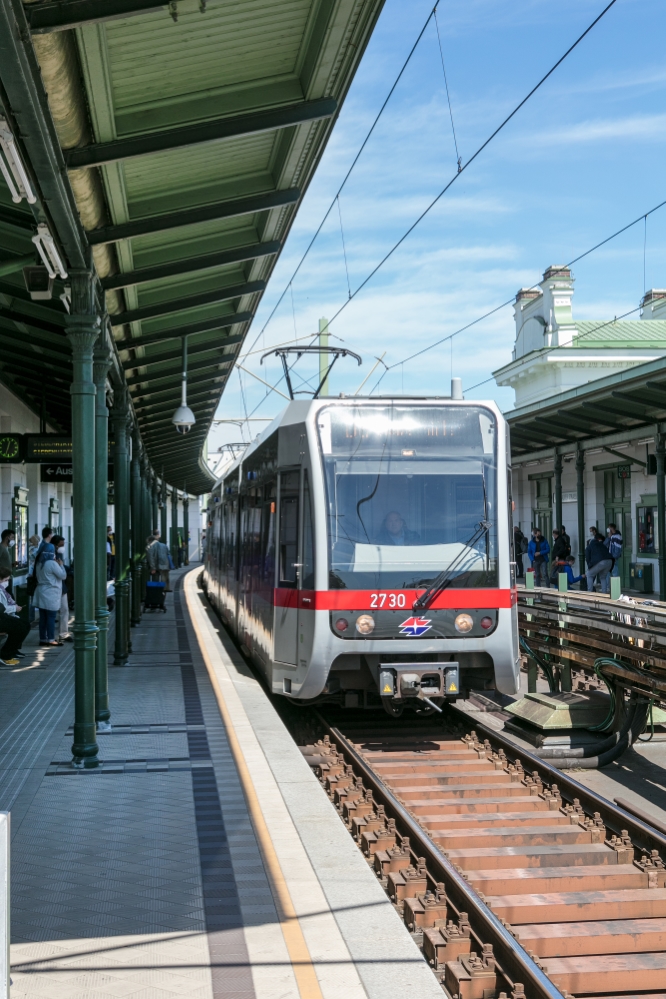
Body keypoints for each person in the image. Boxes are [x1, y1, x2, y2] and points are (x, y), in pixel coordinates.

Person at [33, 539, 67, 645]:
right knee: (51, 617)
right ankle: (51, 639)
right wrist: (61, 565)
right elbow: (63, 576)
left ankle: (43, 639)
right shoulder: (52, 563)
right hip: (51, 593)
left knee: (43, 618)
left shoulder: (38, 563)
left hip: (41, 592)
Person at [0, 566, 30, 664]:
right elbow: (3, 607)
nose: (7, 582)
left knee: (25, 624)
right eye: (5, 580)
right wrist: (14, 608)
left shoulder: (2, 590)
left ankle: (12, 650)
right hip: (2, 616)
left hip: (4, 615)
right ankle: (6, 654)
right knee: (19, 628)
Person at [51, 535, 71, 641]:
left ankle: (63, 633)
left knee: (64, 609)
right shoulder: (51, 555)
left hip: (61, 586)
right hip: (55, 586)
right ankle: (50, 636)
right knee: (54, 611)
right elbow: (61, 572)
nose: (63, 547)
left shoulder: (59, 554)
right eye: (61, 544)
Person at [585, 527, 612, 594]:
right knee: (603, 577)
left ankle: (590, 592)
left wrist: (589, 566)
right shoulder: (601, 544)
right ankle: (604, 592)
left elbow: (587, 557)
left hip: (600, 561)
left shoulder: (590, 546)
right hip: (609, 561)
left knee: (589, 574)